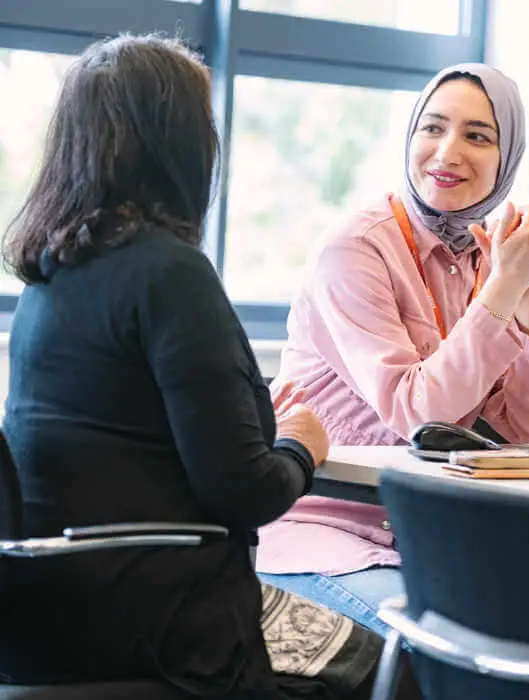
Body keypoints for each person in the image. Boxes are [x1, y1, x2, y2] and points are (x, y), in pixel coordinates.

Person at [1, 34, 421, 700]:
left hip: (56, 616)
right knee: (401, 670)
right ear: (181, 147)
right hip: (166, 620)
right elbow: (246, 492)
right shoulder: (169, 274)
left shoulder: (51, 279)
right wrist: (302, 446)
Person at [258, 63, 529, 636]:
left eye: (477, 136)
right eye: (431, 128)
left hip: (429, 535)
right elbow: (417, 417)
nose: (446, 151)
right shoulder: (355, 248)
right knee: (445, 640)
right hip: (328, 532)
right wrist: (503, 290)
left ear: (506, 161)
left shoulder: (488, 254)